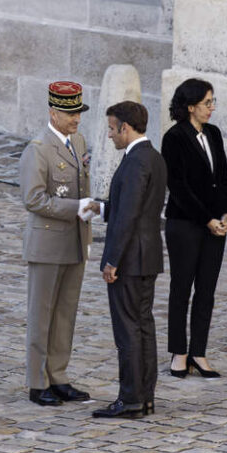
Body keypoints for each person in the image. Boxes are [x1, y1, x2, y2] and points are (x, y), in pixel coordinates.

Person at [19, 81, 94, 406]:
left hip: (75, 241)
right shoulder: (38, 148)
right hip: (48, 242)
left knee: (65, 313)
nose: (76, 118)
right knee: (42, 313)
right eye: (69, 112)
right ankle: (38, 382)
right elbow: (33, 198)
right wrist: (76, 208)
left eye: (78, 111)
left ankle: (59, 375)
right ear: (53, 112)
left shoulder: (77, 141)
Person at [92, 102, 167, 419]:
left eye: (111, 128)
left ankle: (131, 397)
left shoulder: (136, 161)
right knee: (143, 327)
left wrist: (112, 260)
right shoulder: (153, 157)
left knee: (129, 331)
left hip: (131, 258)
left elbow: (129, 215)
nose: (109, 135)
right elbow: (128, 206)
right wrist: (100, 208)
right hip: (145, 256)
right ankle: (144, 396)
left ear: (125, 127)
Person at [161, 78, 227, 378]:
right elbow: (178, 186)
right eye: (207, 103)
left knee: (207, 289)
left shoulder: (214, 133)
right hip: (185, 224)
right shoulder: (174, 138)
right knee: (182, 287)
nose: (212, 107)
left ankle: (199, 351)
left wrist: (226, 214)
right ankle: (179, 351)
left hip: (216, 224)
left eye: (212, 101)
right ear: (190, 107)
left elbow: (224, 176)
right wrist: (207, 219)